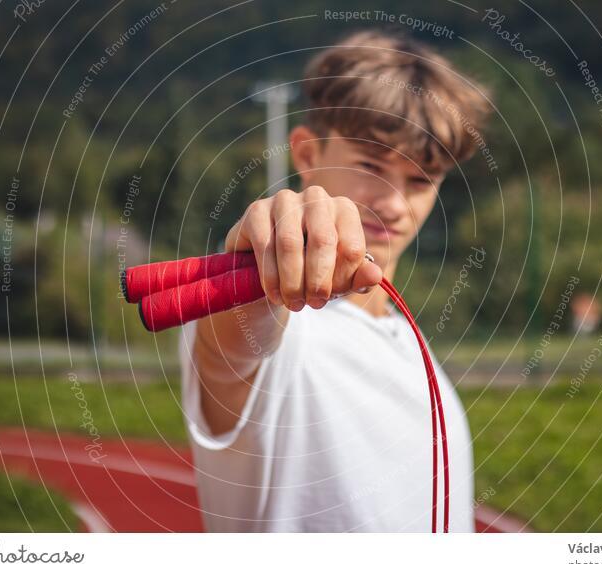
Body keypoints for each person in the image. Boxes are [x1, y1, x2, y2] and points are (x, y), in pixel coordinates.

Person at [179, 30, 491, 532]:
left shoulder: (410, 340)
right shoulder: (269, 307)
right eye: (372, 165)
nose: (393, 202)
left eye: (420, 179)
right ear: (305, 154)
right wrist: (261, 256)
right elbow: (230, 351)